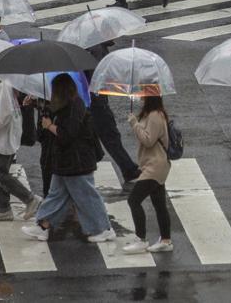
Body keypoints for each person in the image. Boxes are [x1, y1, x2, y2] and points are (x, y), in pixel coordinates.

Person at [22, 75, 116, 243]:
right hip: (66, 162)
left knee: (87, 196)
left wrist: (49, 126)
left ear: (61, 90)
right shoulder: (67, 104)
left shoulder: (76, 106)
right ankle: (43, 226)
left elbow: (68, 134)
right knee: (55, 195)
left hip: (77, 162)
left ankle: (104, 228)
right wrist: (37, 105)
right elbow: (53, 111)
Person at [0, 79, 41, 223]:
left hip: (6, 137)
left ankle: (30, 199)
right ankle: (3, 209)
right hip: (6, 136)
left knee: (0, 173)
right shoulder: (4, 85)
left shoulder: (3, 86)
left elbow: (3, 117)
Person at [120, 95, 173, 254]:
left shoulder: (155, 115)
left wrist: (134, 124)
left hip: (154, 166)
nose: (141, 95)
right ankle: (165, 240)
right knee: (159, 204)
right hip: (154, 164)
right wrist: (136, 121)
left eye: (144, 92)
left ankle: (141, 239)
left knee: (133, 200)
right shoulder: (151, 113)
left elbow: (148, 140)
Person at [86, 42, 140, 184]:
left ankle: (128, 168)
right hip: (97, 102)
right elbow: (97, 76)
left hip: (92, 101)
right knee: (110, 136)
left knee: (99, 138)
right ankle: (129, 169)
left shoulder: (97, 47)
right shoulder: (97, 49)